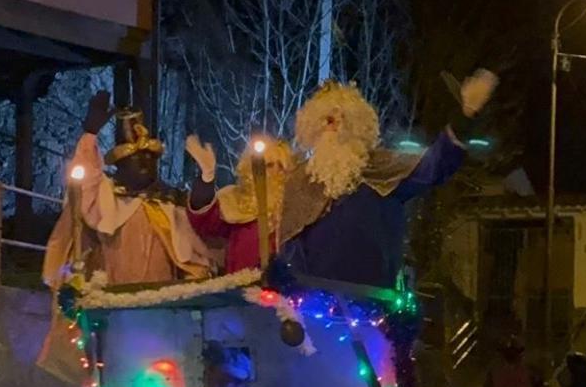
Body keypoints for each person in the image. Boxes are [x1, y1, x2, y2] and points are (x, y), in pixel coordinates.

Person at [278, 71, 495, 287]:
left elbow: (436, 165)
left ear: (356, 125)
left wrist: (464, 118)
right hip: (310, 298)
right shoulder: (299, 181)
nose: (334, 126)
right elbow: (284, 239)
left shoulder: (384, 169)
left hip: (372, 297)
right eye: (327, 120)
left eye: (342, 119)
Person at [42, 92, 215, 289]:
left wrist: (207, 178)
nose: (145, 164)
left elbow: (202, 219)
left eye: (150, 159)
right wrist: (90, 134)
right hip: (115, 296)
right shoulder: (106, 200)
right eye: (136, 159)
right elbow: (85, 184)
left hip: (162, 299)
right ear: (120, 165)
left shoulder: (168, 204)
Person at [184, 135, 295, 273]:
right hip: (242, 280)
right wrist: (207, 177)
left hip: (287, 281)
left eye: (281, 166)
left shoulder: (297, 206)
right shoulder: (237, 201)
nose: (276, 171)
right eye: (269, 165)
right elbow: (206, 222)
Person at [483, 335, 549, 387]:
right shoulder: (494, 371)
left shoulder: (531, 371)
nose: (511, 354)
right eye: (508, 351)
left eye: (513, 351)